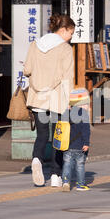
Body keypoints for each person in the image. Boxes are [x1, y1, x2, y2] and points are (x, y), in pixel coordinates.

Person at [23, 13, 75, 187]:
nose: (71, 37)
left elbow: (27, 69)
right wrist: (70, 100)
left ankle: (37, 160)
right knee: (58, 137)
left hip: (38, 97)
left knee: (42, 135)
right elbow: (67, 77)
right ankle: (55, 175)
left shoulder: (35, 45)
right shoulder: (65, 49)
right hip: (57, 98)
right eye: (71, 33)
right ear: (64, 29)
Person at [62, 88, 91, 192]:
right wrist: (86, 143)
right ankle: (80, 184)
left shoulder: (66, 113)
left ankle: (65, 181)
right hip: (79, 146)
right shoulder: (84, 114)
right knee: (80, 165)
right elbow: (86, 130)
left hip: (66, 145)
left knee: (67, 164)